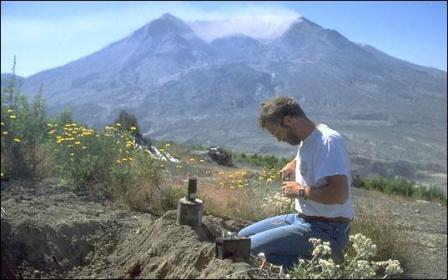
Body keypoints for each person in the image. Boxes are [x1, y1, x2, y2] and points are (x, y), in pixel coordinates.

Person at [238, 96, 354, 270]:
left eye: (276, 132)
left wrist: (300, 191)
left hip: (327, 230)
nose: (278, 139)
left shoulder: (328, 142)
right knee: (241, 237)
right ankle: (284, 259)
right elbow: (313, 152)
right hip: (302, 219)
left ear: (289, 120)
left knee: (244, 250)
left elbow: (339, 194)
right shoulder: (310, 137)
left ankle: (327, 266)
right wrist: (295, 163)